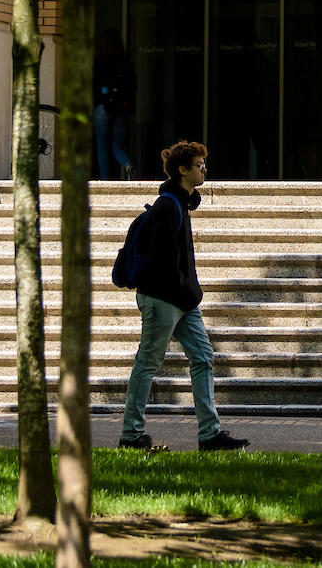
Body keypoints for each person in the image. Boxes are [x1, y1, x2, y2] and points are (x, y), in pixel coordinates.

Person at [118, 141, 249, 452]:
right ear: (182, 170)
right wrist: (186, 292)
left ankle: (210, 435)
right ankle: (131, 436)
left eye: (204, 164)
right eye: (199, 166)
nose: (205, 170)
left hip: (182, 299)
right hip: (162, 298)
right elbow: (164, 262)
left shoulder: (181, 203)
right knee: (147, 363)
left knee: (203, 357)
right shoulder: (167, 206)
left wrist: (189, 294)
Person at [92, 27, 137, 181]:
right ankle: (128, 166)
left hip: (102, 109)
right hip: (122, 109)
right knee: (117, 146)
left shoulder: (98, 62)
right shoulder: (126, 62)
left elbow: (93, 86)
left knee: (102, 147)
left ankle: (105, 181)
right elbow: (134, 86)